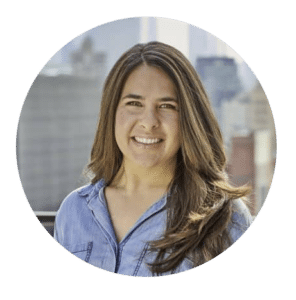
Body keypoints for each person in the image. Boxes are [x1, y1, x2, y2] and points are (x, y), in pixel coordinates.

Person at [54, 41, 253, 277]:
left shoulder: (225, 218)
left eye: (167, 106)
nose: (149, 122)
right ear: (111, 112)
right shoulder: (74, 211)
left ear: (188, 118)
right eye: (134, 103)